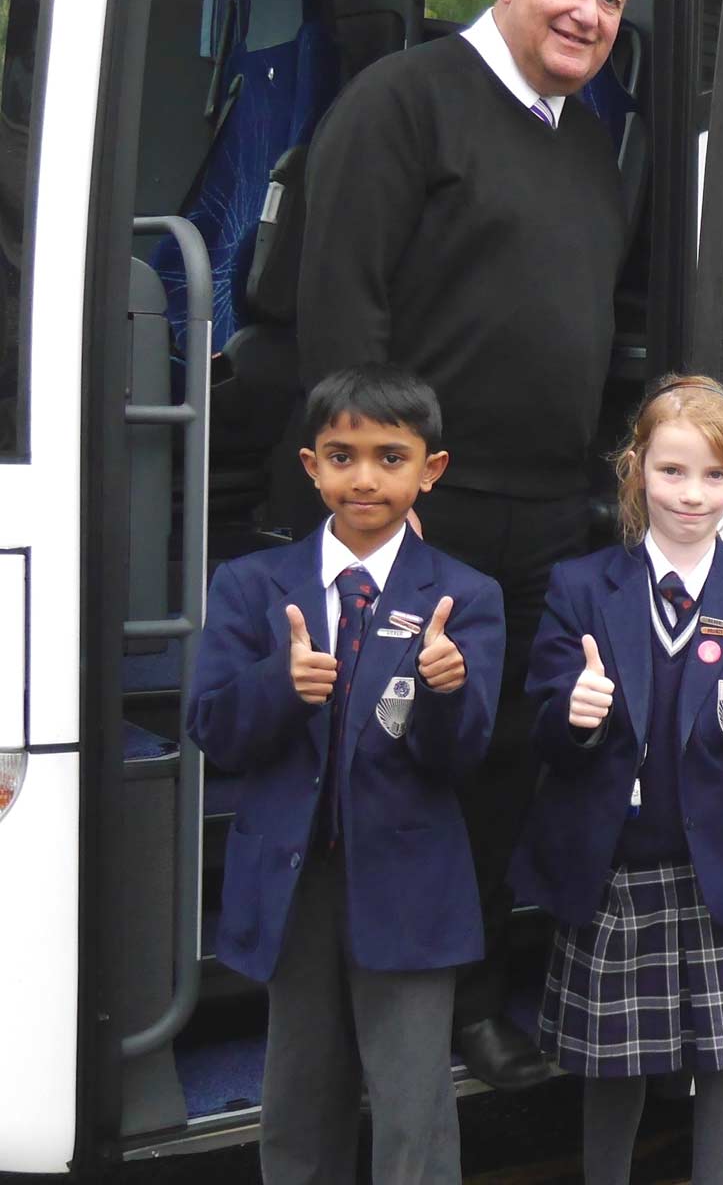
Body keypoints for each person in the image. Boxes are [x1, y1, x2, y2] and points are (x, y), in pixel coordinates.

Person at [297, 0, 633, 1087]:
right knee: (395, 761)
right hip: (419, 512)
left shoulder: (587, 141)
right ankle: (375, 1013)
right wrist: (382, 490)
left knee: (504, 764)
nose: (586, 14)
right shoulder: (405, 104)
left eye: (608, 0)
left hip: (546, 516)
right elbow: (340, 305)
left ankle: (473, 998)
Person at [186, 365, 504, 1185]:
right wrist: (277, 687)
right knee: (297, 1094)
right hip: (296, 887)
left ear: (430, 469)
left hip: (410, 883)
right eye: (342, 454)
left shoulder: (465, 597)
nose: (364, 477)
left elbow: (462, 757)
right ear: (310, 466)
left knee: (412, 1104)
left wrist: (445, 690)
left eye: (390, 456)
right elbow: (212, 730)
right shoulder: (251, 587)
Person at [507, 377, 723, 1185]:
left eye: (715, 475)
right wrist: (575, 715)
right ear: (636, 468)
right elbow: (545, 738)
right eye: (673, 471)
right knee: (613, 1070)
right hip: (616, 872)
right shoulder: (582, 588)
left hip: (718, 874)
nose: (693, 494)